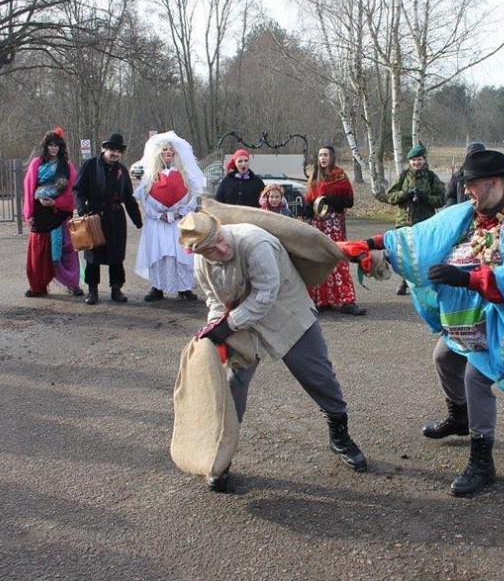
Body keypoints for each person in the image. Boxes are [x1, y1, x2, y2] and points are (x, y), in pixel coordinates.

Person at [342, 149, 504, 497]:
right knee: (444, 359)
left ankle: (483, 461)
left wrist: (463, 278)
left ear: (495, 183)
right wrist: (370, 243)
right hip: (462, 319)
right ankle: (460, 417)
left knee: (476, 378)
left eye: (472, 185)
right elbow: (420, 236)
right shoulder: (465, 215)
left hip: (494, 321)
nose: (466, 192)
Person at [178, 210, 368, 492]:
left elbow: (266, 294)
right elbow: (215, 300)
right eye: (210, 250)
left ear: (220, 227)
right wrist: (214, 330)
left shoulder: (255, 243)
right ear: (198, 252)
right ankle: (220, 454)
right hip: (242, 323)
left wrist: (228, 324)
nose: (221, 249)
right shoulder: (202, 264)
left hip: (285, 313)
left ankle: (339, 434)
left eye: (219, 239)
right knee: (230, 386)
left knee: (319, 376)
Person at [134, 131, 205, 303]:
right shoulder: (151, 177)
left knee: (180, 255)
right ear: (159, 152)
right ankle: (157, 287)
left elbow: (193, 198)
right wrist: (159, 215)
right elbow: (146, 201)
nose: (168, 152)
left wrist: (180, 212)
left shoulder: (185, 176)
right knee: (159, 255)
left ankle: (184, 288)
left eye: (170, 149)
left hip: (179, 223)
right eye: (164, 149)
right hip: (157, 224)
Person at [73, 132, 143, 305]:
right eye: (112, 149)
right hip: (94, 217)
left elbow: (129, 198)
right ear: (104, 149)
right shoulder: (90, 166)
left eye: (119, 151)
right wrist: (81, 207)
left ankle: (116, 289)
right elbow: (77, 190)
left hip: (116, 218)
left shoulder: (122, 170)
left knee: (116, 256)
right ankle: (93, 291)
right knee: (92, 257)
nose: (116, 154)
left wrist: (137, 220)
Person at [303, 145, 365, 315]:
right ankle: (321, 300)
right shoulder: (314, 176)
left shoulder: (340, 175)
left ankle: (346, 301)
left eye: (326, 155)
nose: (322, 158)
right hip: (317, 225)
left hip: (334, 225)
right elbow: (309, 199)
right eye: (320, 155)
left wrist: (332, 200)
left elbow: (348, 201)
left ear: (332, 157)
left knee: (338, 259)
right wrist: (307, 208)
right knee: (318, 260)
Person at [21, 127, 83, 298]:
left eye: (56, 145)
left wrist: (56, 202)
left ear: (60, 147)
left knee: (67, 249)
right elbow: (29, 189)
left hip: (60, 212)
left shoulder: (67, 165)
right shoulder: (36, 163)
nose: (53, 148)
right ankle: (38, 286)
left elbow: (72, 189)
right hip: (40, 214)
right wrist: (29, 214)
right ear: (46, 146)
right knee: (39, 251)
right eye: (50, 145)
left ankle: (72, 284)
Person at [380, 144, 446, 295]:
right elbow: (390, 196)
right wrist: (405, 194)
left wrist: (426, 197)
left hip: (425, 223)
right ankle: (405, 281)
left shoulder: (431, 177)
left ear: (424, 160)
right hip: (405, 221)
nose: (417, 163)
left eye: (420, 159)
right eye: (414, 160)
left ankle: (424, 283)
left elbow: (441, 199)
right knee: (403, 255)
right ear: (409, 161)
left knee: (424, 254)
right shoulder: (403, 176)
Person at [444, 141, 486, 207]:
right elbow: (450, 196)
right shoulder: (457, 176)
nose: (475, 159)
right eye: (472, 156)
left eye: (478, 155)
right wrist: (453, 209)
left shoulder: (491, 176)